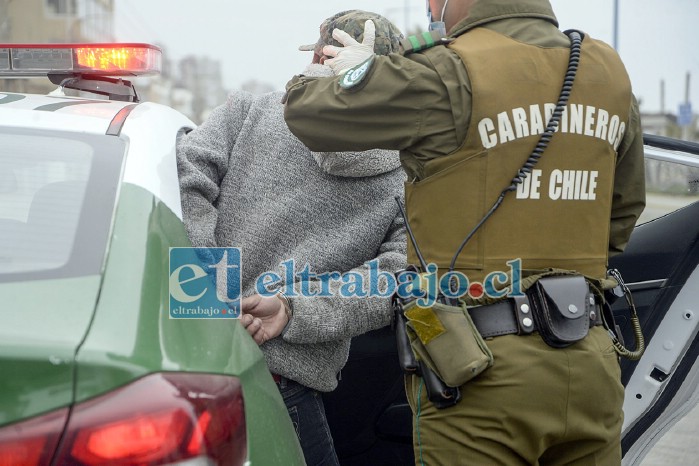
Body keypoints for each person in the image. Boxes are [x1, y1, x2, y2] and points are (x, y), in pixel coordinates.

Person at [283, 0, 646, 464]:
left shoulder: (448, 67)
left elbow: (308, 114)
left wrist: (334, 70)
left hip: (480, 370)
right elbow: (621, 216)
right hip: (591, 360)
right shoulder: (606, 71)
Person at [176, 10, 406, 466]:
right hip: (287, 383)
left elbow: (186, 178)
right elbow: (395, 278)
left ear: (318, 55)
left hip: (190, 361)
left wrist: (210, 295)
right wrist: (291, 310)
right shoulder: (404, 173)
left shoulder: (248, 112)